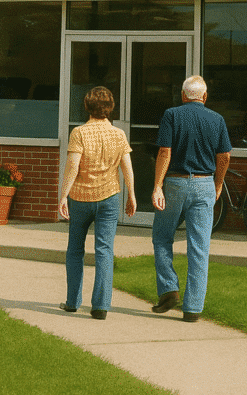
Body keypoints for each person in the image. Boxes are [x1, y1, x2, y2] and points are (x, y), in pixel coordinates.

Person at [151, 75, 232, 322]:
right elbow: (225, 156)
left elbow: (165, 151)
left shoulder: (172, 115)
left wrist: (157, 186)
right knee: (199, 247)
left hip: (175, 183)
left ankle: (169, 288)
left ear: (183, 95)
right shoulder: (217, 119)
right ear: (204, 96)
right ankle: (193, 309)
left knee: (162, 237)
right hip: (205, 183)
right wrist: (218, 183)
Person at [58, 86, 137, 320]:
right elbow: (127, 168)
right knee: (104, 250)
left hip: (80, 198)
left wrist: (63, 196)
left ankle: (72, 302)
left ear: (87, 107)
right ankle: (101, 306)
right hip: (109, 198)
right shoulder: (119, 134)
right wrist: (132, 194)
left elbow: (72, 166)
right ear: (110, 108)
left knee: (75, 250)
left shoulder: (79, 133)